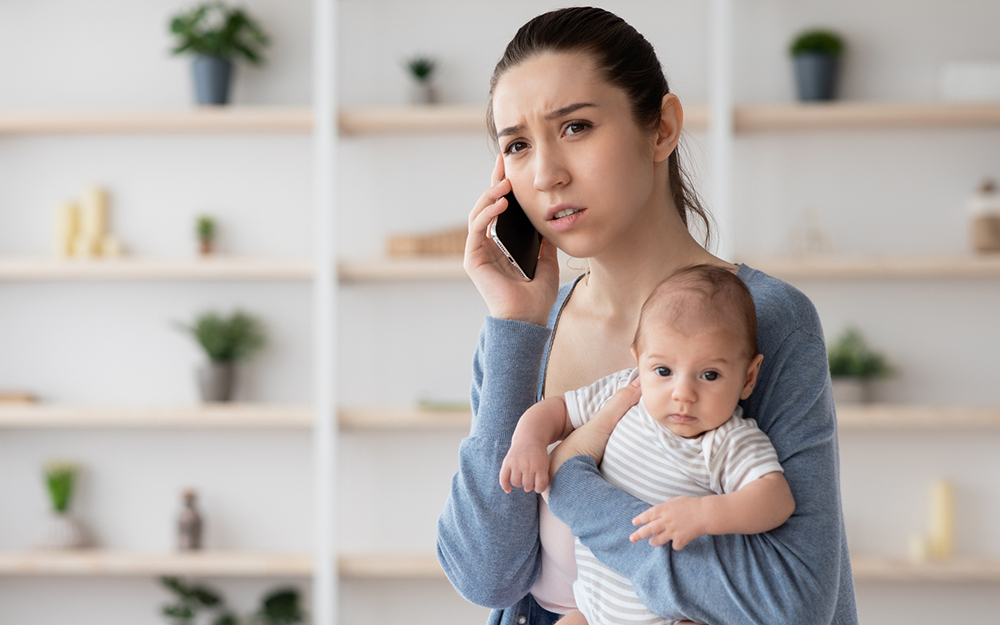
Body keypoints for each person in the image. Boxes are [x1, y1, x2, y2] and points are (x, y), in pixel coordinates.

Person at [437, 7, 858, 625]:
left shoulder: (767, 319)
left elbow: (792, 602)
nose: (547, 174)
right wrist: (515, 328)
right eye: (517, 146)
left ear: (661, 128)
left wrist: (575, 486)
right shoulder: (525, 332)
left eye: (575, 127)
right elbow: (485, 574)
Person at [499, 265, 796, 625]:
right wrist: (528, 442)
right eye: (663, 371)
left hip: (669, 615)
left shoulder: (727, 441)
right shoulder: (626, 394)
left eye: (710, 375)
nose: (683, 394)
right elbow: (557, 410)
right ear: (638, 361)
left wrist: (703, 515)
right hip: (592, 610)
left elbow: (776, 500)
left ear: (748, 377)